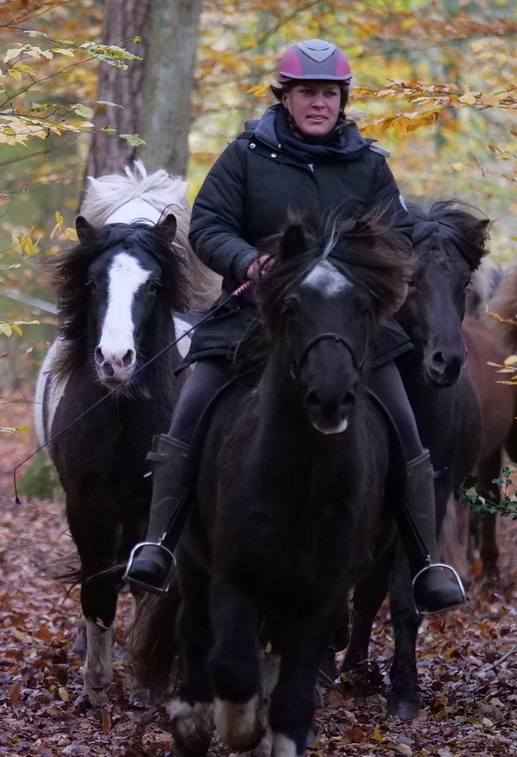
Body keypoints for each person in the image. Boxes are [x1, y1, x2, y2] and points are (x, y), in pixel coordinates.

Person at [123, 38, 466, 615]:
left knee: (408, 432)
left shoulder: (370, 166)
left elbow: (402, 236)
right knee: (189, 412)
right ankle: (159, 545)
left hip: (349, 325)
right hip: (253, 316)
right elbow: (208, 223)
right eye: (307, 92)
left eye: (329, 94)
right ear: (284, 97)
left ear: (342, 99)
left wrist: (360, 270)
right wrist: (245, 261)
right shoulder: (245, 156)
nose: (318, 104)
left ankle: (426, 560)